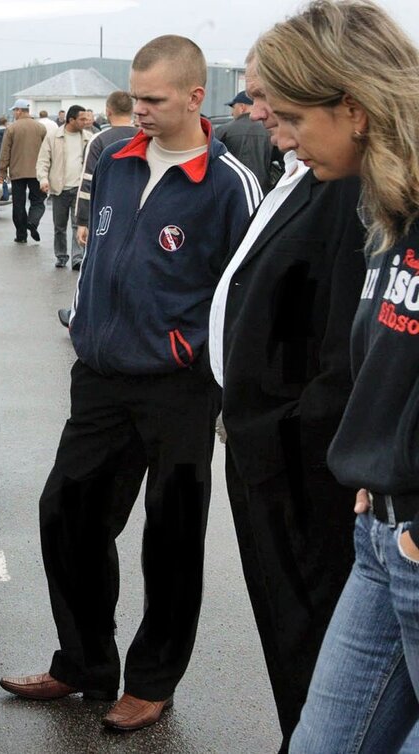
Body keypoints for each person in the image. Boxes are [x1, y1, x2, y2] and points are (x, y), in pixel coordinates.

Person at [0, 34, 260, 732]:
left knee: (171, 539)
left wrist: (190, 348)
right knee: (67, 513)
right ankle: (83, 664)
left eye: (153, 100)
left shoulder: (230, 183)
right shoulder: (113, 158)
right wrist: (87, 322)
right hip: (102, 376)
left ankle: (151, 682)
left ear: (194, 97)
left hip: (178, 386)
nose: (137, 111)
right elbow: (99, 249)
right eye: (134, 97)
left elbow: (247, 294)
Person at [252, 2, 419, 750]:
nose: (280, 137)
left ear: (351, 106)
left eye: (290, 116)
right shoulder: (389, 209)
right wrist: (376, 459)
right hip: (379, 534)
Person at [209, 49, 364, 753]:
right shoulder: (305, 174)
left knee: (313, 638)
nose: (261, 112)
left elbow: (345, 348)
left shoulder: (344, 190)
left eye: (274, 98)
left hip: (299, 463)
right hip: (267, 446)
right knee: (288, 631)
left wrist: (283, 435)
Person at [58, 90, 140, 329]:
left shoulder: (99, 140)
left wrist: (82, 221)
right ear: (132, 110)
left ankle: (79, 315)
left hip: (106, 215)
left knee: (93, 267)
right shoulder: (145, 136)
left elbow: (87, 184)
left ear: (108, 111)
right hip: (139, 211)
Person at [37, 104, 94, 269]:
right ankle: (61, 256)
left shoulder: (88, 138)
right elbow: (43, 160)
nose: (85, 121)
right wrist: (43, 179)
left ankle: (78, 258)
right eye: (82, 119)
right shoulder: (53, 136)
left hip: (80, 189)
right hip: (59, 188)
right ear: (71, 120)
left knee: (79, 224)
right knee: (59, 226)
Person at [0, 98, 49, 245]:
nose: (14, 113)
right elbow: (46, 151)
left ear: (19, 111)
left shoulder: (12, 128)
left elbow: (5, 151)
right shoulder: (40, 128)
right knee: (38, 201)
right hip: (37, 172)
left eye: (14, 110)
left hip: (17, 172)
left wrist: (2, 172)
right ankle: (32, 222)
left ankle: (21, 234)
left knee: (18, 204)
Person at [216, 90, 283, 194]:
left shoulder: (222, 130)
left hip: (229, 191)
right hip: (263, 192)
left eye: (234, 108)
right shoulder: (271, 131)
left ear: (242, 107)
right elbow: (285, 162)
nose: (232, 113)